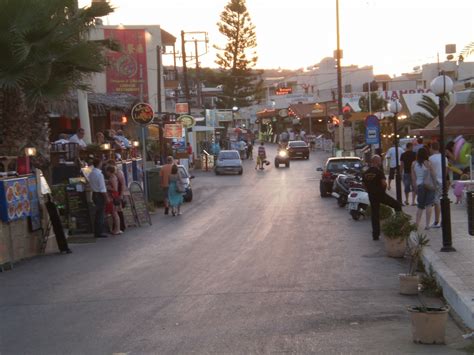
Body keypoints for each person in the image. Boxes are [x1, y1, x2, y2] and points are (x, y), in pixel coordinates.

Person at [362, 155, 402, 240]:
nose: (380, 163)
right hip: (380, 195)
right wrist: (383, 190)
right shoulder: (379, 172)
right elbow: (384, 183)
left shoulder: (365, 173)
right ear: (376, 161)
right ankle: (399, 226)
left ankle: (375, 235)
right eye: (380, 161)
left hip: (372, 196)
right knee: (397, 205)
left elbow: (364, 185)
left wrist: (370, 190)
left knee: (375, 214)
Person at [411, 147, 436, 230]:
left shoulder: (413, 164)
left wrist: (415, 188)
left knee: (420, 206)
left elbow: (413, 178)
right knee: (429, 204)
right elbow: (433, 174)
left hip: (420, 185)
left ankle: (417, 224)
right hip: (429, 185)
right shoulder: (428, 163)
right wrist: (435, 185)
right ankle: (427, 225)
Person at [89, 158, 109, 238]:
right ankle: (99, 232)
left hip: (94, 193)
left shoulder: (91, 173)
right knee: (100, 213)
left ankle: (97, 231)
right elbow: (102, 189)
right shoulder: (99, 174)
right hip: (100, 195)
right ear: (99, 163)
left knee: (97, 213)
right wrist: (106, 197)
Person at [429, 141, 447, 228]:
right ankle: (443, 219)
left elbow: (430, 172)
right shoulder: (444, 158)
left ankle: (436, 221)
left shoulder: (431, 159)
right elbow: (446, 170)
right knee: (442, 200)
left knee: (436, 201)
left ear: (432, 148)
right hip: (443, 181)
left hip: (435, 182)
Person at [107, 159, 128, 231]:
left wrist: (121, 194)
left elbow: (122, 184)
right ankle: (117, 227)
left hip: (118, 193)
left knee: (118, 210)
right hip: (116, 193)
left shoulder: (119, 172)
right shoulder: (115, 173)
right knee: (117, 210)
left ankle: (121, 227)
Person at [104, 165, 122, 235]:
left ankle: (117, 229)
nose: (106, 173)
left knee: (114, 213)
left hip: (113, 196)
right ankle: (115, 229)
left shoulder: (113, 178)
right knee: (113, 213)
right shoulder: (112, 177)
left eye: (106, 171)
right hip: (113, 196)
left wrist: (108, 188)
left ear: (109, 171)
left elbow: (115, 189)